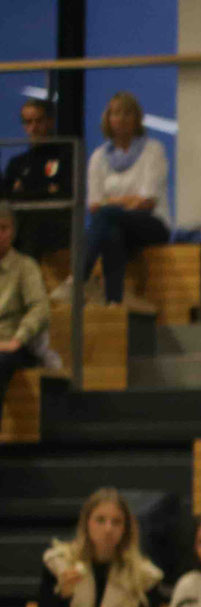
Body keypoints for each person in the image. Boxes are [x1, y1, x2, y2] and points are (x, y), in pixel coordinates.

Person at [73, 92, 170, 307]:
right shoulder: (98, 156)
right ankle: (113, 302)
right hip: (116, 225)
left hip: (152, 224)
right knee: (111, 231)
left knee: (107, 216)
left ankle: (79, 278)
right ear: (108, 119)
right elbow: (94, 205)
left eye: (128, 113)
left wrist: (111, 203)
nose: (122, 118)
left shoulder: (153, 150)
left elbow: (147, 202)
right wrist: (127, 201)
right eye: (116, 113)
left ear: (137, 119)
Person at [3, 99, 73, 258]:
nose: (33, 128)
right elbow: (7, 198)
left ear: (50, 122)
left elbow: (63, 194)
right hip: (17, 222)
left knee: (33, 223)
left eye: (38, 121)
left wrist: (23, 193)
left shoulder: (66, 155)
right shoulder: (17, 163)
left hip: (52, 224)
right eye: (28, 122)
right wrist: (45, 190)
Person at [0, 204, 49, 401]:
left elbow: (40, 308)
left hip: (13, 344)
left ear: (13, 232)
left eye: (3, 228)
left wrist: (17, 340)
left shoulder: (25, 266)